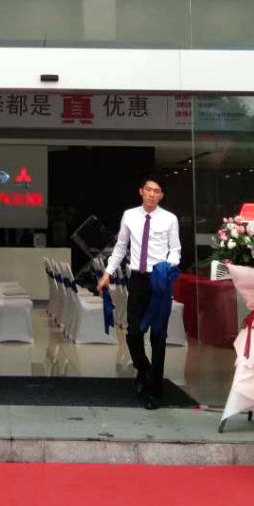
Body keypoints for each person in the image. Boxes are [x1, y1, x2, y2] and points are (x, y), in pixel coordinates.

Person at [96, 175, 181, 409]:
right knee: (133, 333)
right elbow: (120, 247)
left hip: (160, 279)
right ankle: (144, 368)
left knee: (158, 336)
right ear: (141, 191)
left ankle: (155, 391)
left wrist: (168, 266)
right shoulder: (130, 216)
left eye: (157, 191)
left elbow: (175, 250)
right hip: (138, 280)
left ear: (161, 196)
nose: (152, 194)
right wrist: (107, 273)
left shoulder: (170, 219)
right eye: (149, 189)